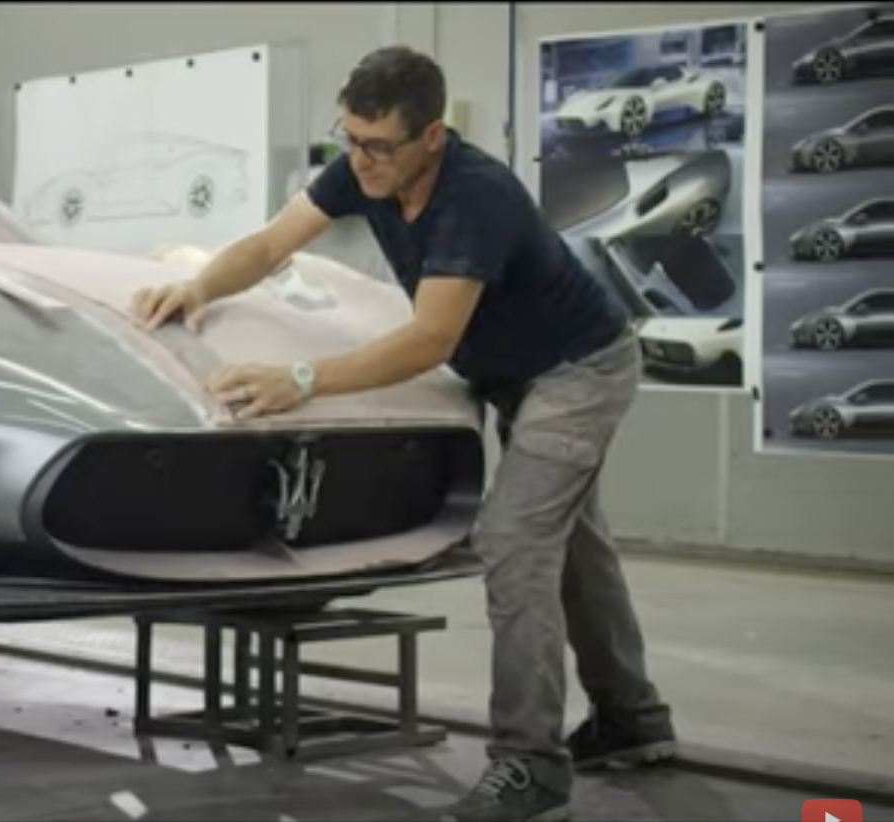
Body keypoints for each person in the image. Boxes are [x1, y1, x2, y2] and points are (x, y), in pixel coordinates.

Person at [130, 45, 676, 822]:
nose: (361, 161)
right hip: (516, 374)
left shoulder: (474, 197)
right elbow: (270, 245)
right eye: (350, 140)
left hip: (578, 371)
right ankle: (633, 720)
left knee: (516, 543)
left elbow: (429, 340)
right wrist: (198, 285)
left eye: (380, 146)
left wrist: (301, 379)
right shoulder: (362, 169)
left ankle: (530, 766)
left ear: (432, 137)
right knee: (575, 549)